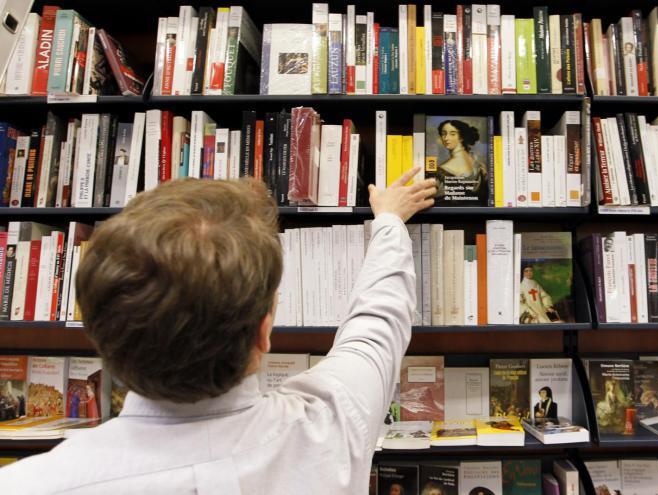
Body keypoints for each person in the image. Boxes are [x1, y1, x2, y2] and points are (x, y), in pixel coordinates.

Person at [0, 169, 437, 493]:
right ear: (264, 332)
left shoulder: (29, 485)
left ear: (100, 334)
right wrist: (389, 222)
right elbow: (377, 321)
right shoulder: (333, 423)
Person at [433, 120, 486, 199]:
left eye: (452, 134)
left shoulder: (440, 171)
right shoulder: (478, 162)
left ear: (461, 137)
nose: (446, 138)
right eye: (443, 134)